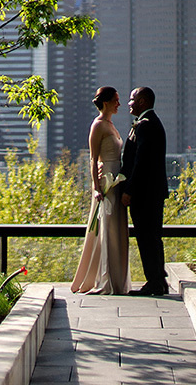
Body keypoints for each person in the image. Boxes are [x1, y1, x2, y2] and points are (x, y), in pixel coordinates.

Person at [70, 86, 130, 294]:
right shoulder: (98, 125)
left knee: (116, 230)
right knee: (106, 229)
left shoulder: (111, 125)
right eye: (116, 100)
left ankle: (116, 277)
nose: (119, 104)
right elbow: (93, 158)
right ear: (106, 102)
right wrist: (96, 187)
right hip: (106, 182)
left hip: (117, 179)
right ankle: (104, 279)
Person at [121, 86, 169, 295]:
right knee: (152, 236)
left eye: (132, 99)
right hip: (152, 193)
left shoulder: (146, 125)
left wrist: (129, 190)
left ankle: (155, 282)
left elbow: (140, 162)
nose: (129, 103)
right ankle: (158, 280)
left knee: (147, 236)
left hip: (145, 194)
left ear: (142, 101)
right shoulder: (149, 123)